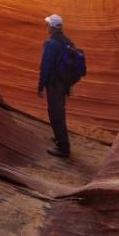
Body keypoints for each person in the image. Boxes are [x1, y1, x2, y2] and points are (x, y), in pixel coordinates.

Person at [38, 14, 73, 157]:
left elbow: (45, 66)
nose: (46, 27)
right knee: (60, 112)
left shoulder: (51, 43)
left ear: (51, 27)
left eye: (47, 25)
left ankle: (63, 147)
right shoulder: (68, 41)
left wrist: (40, 85)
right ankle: (59, 138)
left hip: (54, 84)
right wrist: (69, 86)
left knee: (55, 114)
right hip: (63, 84)